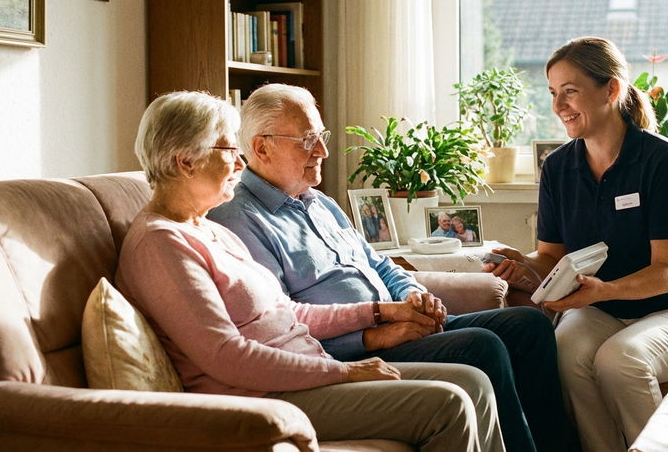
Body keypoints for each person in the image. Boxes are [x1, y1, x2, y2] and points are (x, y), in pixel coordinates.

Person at [116, 90, 503, 452]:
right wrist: (344, 373)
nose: (239, 162)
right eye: (229, 149)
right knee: (448, 404)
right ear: (186, 161)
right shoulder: (159, 244)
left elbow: (288, 312)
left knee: (474, 381)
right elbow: (226, 356)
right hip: (263, 399)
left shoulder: (207, 228)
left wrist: (382, 311)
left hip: (306, 374)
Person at [208, 83, 568, 452]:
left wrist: (413, 296)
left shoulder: (318, 202)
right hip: (351, 350)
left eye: (322, 136)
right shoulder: (239, 218)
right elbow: (281, 323)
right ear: (262, 147)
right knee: (483, 347)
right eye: (308, 140)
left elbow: (380, 264)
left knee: (529, 326)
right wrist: (374, 335)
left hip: (396, 323)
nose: (323, 150)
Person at [485, 37, 668, 452]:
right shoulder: (558, 168)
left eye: (570, 91)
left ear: (611, 90)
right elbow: (552, 257)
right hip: (600, 310)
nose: (559, 106)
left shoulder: (663, 161)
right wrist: (522, 264)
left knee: (620, 360)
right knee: (565, 352)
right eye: (554, 93)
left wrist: (604, 291)